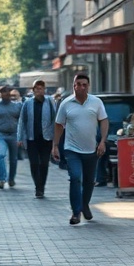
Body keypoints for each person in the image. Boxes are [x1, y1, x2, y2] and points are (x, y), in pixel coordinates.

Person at [53, 73, 108, 225]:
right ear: (74, 86)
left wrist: (102, 141)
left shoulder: (96, 102)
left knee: (90, 181)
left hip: (92, 149)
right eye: (79, 84)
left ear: (88, 86)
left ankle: (85, 205)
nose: (82, 87)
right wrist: (55, 146)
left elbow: (103, 121)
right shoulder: (66, 103)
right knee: (76, 178)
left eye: (85, 85)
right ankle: (76, 212)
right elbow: (59, 125)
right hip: (72, 149)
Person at [16, 79, 57, 198]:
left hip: (46, 138)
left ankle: (41, 187)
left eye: (41, 88)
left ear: (44, 90)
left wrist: (56, 138)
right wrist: (19, 137)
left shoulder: (50, 102)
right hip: (31, 138)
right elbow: (22, 120)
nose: (39, 91)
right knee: (34, 163)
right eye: (37, 89)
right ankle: (37, 187)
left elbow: (55, 119)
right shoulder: (28, 103)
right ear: (33, 91)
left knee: (44, 163)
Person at [0, 84, 22, 189]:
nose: (6, 94)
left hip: (14, 134)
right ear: (0, 94)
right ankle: (3, 179)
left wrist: (21, 136)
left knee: (13, 159)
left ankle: (11, 179)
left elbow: (22, 122)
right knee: (1, 155)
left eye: (8, 92)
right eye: (4, 92)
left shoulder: (17, 106)